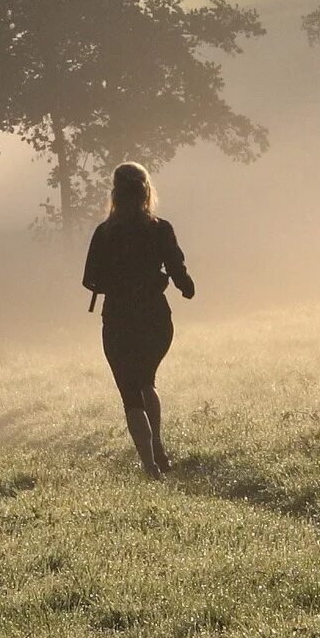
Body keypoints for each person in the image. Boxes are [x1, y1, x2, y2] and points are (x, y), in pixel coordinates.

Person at [81, 162, 194, 477]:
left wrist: (116, 282)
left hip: (118, 320)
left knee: (130, 392)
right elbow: (177, 269)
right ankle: (157, 443)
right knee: (147, 381)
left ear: (115, 193)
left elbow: (90, 280)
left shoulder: (104, 233)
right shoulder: (160, 228)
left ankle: (150, 466)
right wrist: (184, 286)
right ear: (146, 192)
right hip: (156, 318)